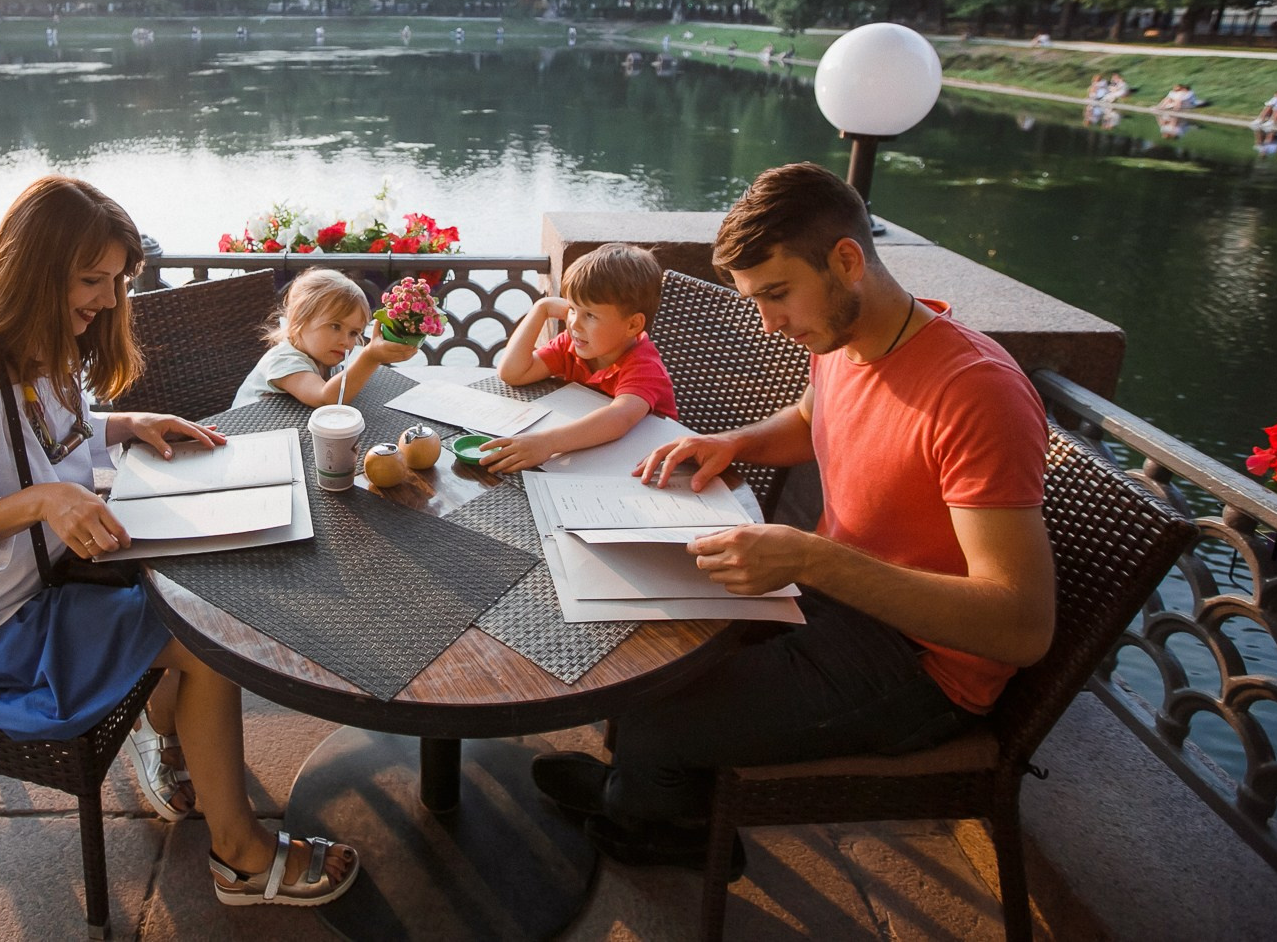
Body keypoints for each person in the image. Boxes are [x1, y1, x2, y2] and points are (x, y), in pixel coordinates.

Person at [530, 164, 1053, 871]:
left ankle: (662, 832)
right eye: (756, 300)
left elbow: (1020, 626)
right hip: (840, 596)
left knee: (655, 707)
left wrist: (812, 558)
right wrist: (736, 442)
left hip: (923, 661)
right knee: (637, 644)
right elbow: (814, 417)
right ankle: (649, 788)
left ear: (846, 259)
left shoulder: (976, 393)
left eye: (776, 294)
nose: (769, 323)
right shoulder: (847, 337)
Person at [0, 176, 358, 908]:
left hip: (51, 573)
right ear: (31, 269)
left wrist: (126, 423)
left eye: (115, 280)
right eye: (91, 279)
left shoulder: (41, 336)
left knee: (210, 587)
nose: (108, 300)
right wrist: (42, 500)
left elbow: (44, 435)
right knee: (207, 641)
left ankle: (162, 730)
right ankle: (237, 855)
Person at [481, 243, 678, 474]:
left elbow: (618, 419)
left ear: (633, 324)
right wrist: (541, 309)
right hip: (593, 456)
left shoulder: (644, 367)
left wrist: (548, 443)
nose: (573, 323)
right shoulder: (573, 346)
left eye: (590, 315)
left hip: (643, 468)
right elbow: (513, 373)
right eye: (572, 309)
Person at [233, 269, 418, 408]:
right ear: (300, 319)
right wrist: (371, 357)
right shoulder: (283, 360)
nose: (345, 341)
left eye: (354, 333)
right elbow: (326, 399)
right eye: (335, 326)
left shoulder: (322, 355)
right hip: (249, 439)